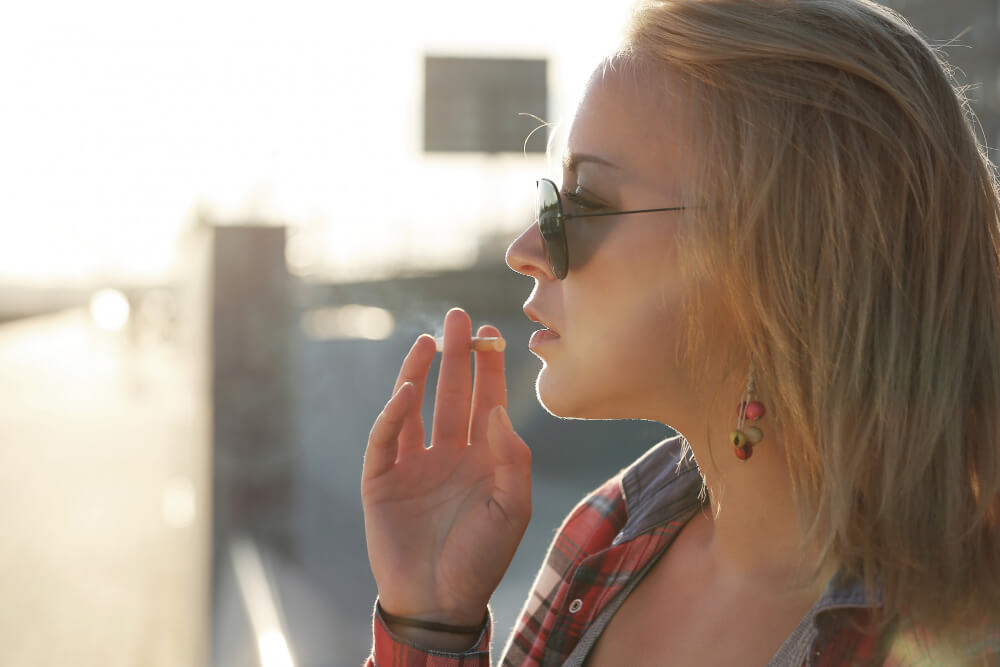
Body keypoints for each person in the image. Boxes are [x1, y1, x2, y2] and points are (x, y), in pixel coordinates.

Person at [361, 0, 1000, 664]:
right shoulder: (606, 531)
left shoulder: (963, 630)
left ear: (773, 252)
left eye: (583, 203)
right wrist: (432, 619)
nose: (525, 247)